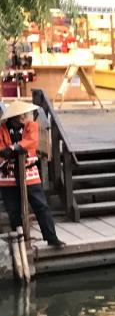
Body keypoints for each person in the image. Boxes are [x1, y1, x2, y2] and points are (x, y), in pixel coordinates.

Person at [0, 101, 64, 247]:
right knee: (13, 210)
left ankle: (51, 237)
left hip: (29, 171)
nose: (24, 116)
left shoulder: (31, 125)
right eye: (21, 114)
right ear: (13, 117)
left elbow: (31, 141)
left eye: (25, 114)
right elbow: (1, 148)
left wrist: (15, 147)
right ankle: (21, 240)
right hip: (7, 174)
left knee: (41, 205)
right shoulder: (2, 128)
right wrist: (9, 149)